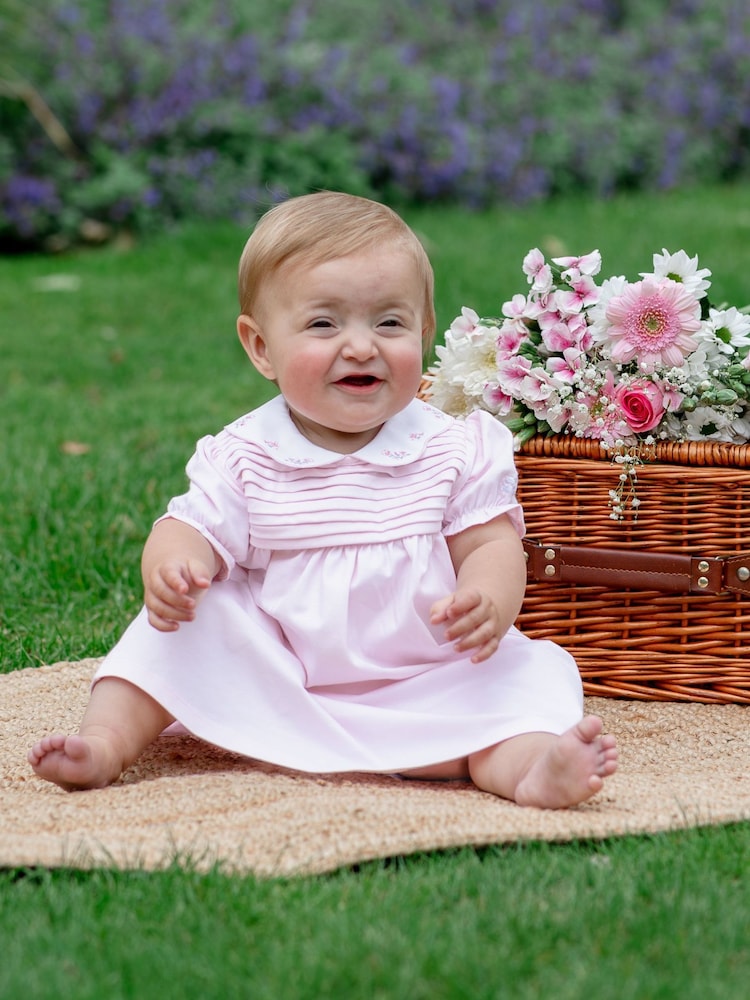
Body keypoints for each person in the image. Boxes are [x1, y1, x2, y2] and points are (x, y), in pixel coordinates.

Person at [28, 191, 617, 807]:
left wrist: (489, 598)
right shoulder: (245, 455)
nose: (361, 346)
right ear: (261, 348)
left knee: (517, 685)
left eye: (389, 322)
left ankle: (531, 770)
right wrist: (174, 567)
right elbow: (187, 527)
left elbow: (493, 543)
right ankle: (102, 744)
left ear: (424, 331)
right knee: (174, 633)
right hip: (285, 675)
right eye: (322, 324)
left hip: (427, 674)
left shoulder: (455, 448)